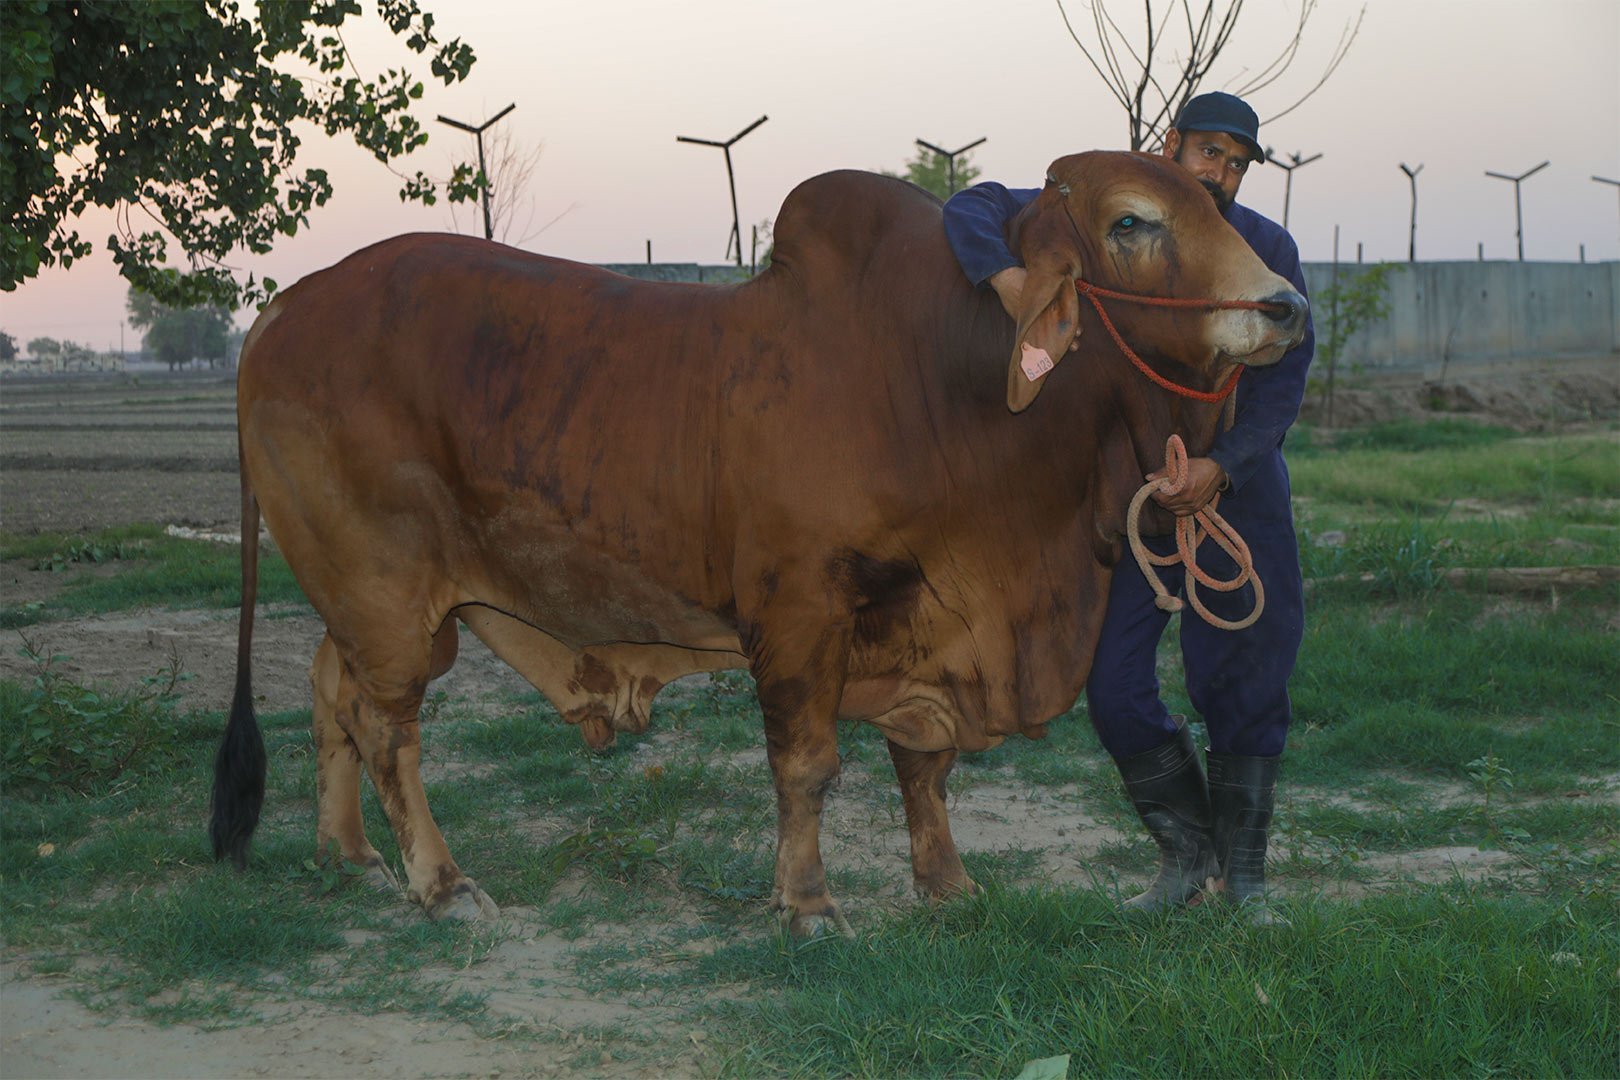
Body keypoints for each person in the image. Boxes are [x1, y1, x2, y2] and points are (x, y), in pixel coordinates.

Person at [942, 92, 1314, 922]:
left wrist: (1221, 468)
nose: (1220, 174)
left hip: (1236, 492)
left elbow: (1281, 387)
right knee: (1113, 686)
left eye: (1236, 163)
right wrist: (1010, 282)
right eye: (1209, 152)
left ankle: (1244, 881)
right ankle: (1187, 857)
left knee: (1246, 679)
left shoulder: (1265, 248)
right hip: (1138, 495)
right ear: (1170, 144)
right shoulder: (1108, 213)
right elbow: (974, 205)